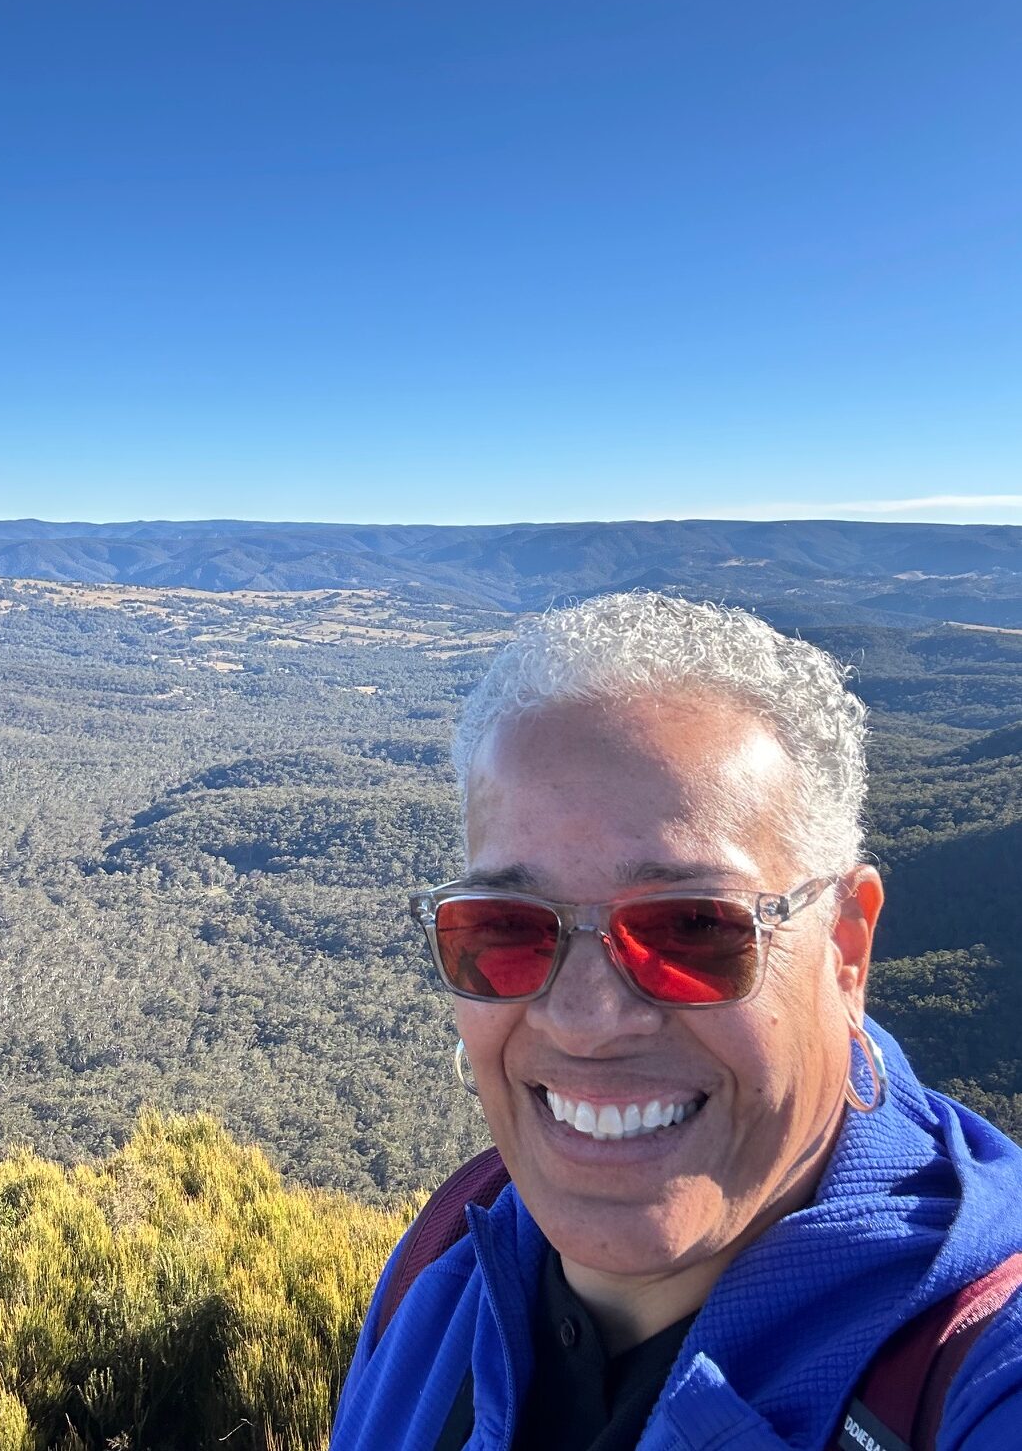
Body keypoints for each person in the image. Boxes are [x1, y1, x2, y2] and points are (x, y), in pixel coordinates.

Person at [330, 592, 1022, 1450]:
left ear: (845, 947)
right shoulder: (442, 1263)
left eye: (692, 927)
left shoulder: (977, 1368)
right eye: (506, 928)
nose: (586, 1020)